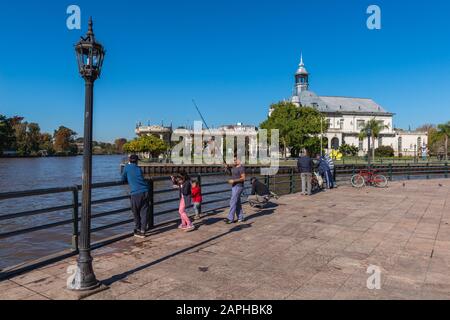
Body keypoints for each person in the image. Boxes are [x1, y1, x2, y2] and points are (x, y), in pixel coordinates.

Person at [121, 154, 150, 239]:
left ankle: (137, 229)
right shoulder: (138, 169)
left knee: (135, 212)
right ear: (137, 161)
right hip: (145, 191)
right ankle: (143, 231)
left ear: (129, 160)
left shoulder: (127, 167)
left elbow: (122, 179)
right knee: (144, 212)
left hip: (136, 193)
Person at [225, 157, 246, 224]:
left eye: (235, 160)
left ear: (239, 160)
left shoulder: (241, 168)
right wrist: (227, 168)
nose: (234, 161)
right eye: (233, 160)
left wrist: (234, 180)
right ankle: (240, 217)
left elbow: (243, 178)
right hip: (234, 186)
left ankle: (230, 218)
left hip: (239, 186)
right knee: (237, 202)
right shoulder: (234, 167)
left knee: (233, 201)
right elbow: (230, 174)